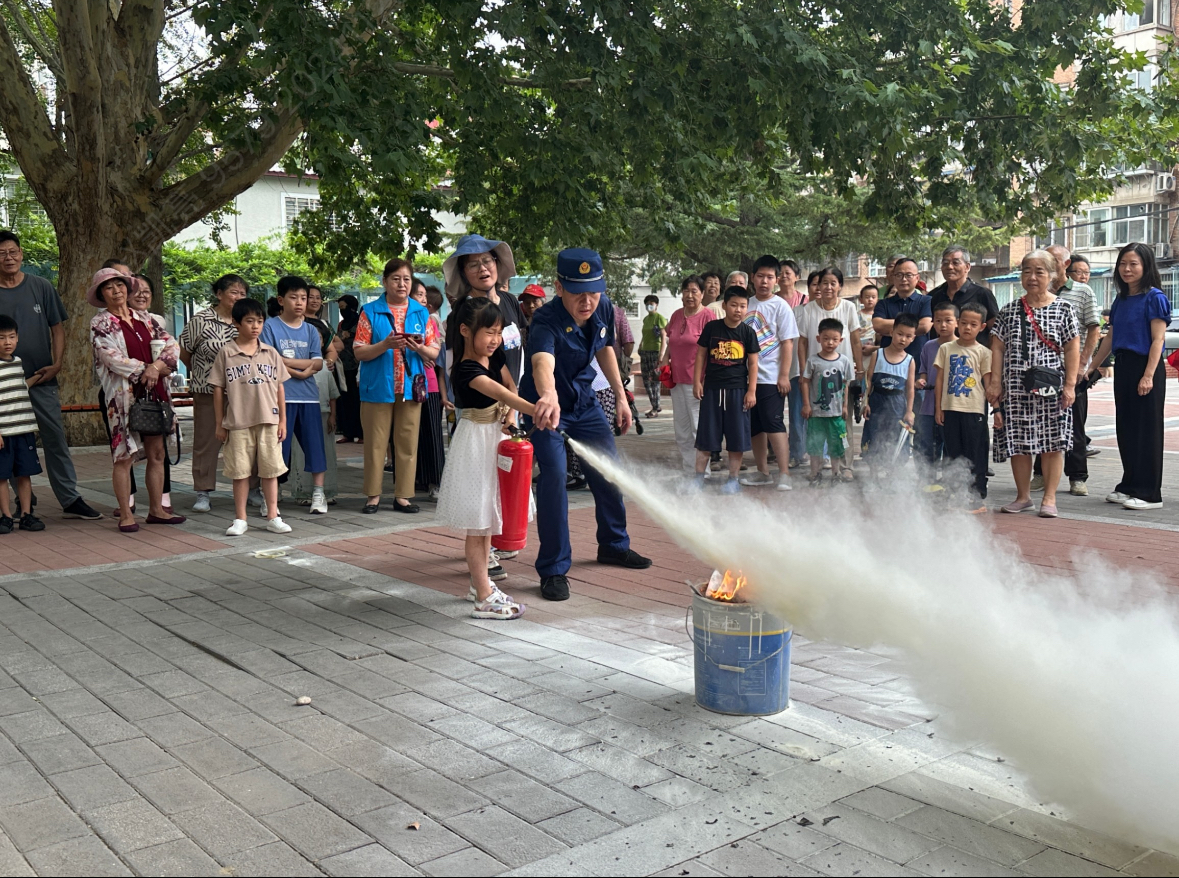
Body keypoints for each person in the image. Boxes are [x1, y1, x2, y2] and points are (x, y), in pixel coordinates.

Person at [519, 247, 651, 602]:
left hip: (584, 401)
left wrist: (621, 396)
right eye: (579, 292)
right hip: (546, 410)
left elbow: (605, 347)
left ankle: (613, 544)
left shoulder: (603, 306)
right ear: (559, 287)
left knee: (608, 470)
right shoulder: (545, 321)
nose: (588, 301)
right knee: (554, 480)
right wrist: (548, 397)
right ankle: (553, 569)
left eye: (595, 291)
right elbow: (542, 363)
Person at [436, 297, 533, 618]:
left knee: (489, 518)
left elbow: (510, 386)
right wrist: (534, 410)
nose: (494, 340)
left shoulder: (496, 356)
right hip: (476, 441)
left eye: (498, 332)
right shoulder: (464, 369)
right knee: (478, 523)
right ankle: (482, 597)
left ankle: (480, 586)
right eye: (488, 332)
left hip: (498, 439)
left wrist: (510, 415)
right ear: (465, 330)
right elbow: (502, 393)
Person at [0, 231, 101, 520]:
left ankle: (70, 498)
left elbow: (57, 327)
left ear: (21, 254)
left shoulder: (40, 286)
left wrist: (57, 364)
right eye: (2, 253)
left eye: (13, 252)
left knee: (55, 438)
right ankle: (23, 500)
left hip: (42, 378)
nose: (9, 258)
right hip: (4, 386)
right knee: (8, 441)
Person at [87, 267, 185, 533]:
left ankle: (156, 510)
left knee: (157, 453)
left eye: (120, 285)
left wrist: (159, 367)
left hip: (155, 392)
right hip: (123, 397)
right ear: (101, 294)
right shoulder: (101, 324)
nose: (116, 290)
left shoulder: (145, 317)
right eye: (109, 287)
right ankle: (126, 514)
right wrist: (147, 370)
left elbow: (170, 344)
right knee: (124, 456)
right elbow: (111, 358)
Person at [988, 250, 1079, 518]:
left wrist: (1071, 385)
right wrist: (995, 383)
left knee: (1053, 442)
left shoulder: (1063, 308)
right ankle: (1023, 496)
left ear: (1052, 275)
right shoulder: (1010, 309)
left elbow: (1072, 348)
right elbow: (997, 348)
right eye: (1027, 270)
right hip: (1015, 387)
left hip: (1051, 388)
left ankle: (1049, 498)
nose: (1032, 276)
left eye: (1040, 271)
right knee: (1018, 441)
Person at [354, 258, 440, 514]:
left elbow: (434, 351)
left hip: (411, 387)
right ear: (385, 282)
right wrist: (385, 345)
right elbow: (359, 351)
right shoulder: (369, 311)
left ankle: (403, 496)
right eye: (396, 279)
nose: (402, 284)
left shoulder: (421, 312)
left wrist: (420, 348)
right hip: (377, 388)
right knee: (375, 443)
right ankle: (373, 495)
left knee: (407, 442)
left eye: (406, 279)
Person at [1090, 242, 1171, 511]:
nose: (1127, 269)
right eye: (1123, 264)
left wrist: (1148, 375)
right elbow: (1111, 338)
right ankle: (1130, 485)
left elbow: (1158, 340)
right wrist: (1091, 366)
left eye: (1133, 264)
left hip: (1145, 366)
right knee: (1126, 427)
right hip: (1124, 366)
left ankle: (1150, 493)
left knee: (1147, 430)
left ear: (1146, 266)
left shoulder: (1155, 297)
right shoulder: (1121, 299)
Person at [209, 297, 292, 536]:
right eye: (249, 321)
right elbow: (217, 388)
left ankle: (273, 515)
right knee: (240, 472)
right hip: (238, 422)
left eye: (259, 321)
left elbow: (280, 387)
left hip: (269, 421)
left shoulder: (270, 352)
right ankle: (240, 518)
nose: (255, 326)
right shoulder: (227, 353)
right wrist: (219, 422)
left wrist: (283, 420)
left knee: (271, 470)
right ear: (236, 323)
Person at [1031, 244, 1102, 497]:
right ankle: (1040, 475)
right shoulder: (1039, 289)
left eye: (1054, 260)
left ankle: (1077, 477)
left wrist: (1084, 363)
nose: (1048, 264)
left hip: (1073, 369)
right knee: (1041, 420)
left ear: (1066, 263)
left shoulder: (1083, 291)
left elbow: (1094, 328)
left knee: (1075, 424)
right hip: (1043, 370)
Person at [179, 273, 247, 512]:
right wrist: (202, 372)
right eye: (233, 292)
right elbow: (184, 352)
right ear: (219, 294)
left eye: (242, 293)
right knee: (207, 441)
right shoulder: (201, 320)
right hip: (207, 391)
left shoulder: (247, 320)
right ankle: (203, 491)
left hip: (242, 392)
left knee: (247, 442)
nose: (238, 297)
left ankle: (253, 489)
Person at [262, 276, 328, 517]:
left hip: (309, 397)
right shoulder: (269, 326)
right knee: (278, 449)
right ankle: (272, 496)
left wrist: (290, 364)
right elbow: (269, 359)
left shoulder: (311, 329)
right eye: (294, 297)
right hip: (281, 398)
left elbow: (319, 362)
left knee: (315, 447)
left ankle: (318, 494)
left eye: (304, 298)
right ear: (281, 300)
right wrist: (300, 369)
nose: (300, 303)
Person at [793, 267, 861, 478]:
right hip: (815, 377)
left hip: (842, 376)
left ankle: (845, 466)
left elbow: (856, 339)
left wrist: (860, 369)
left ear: (840, 285)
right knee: (817, 422)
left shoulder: (849, 307)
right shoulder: (808, 309)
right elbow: (802, 343)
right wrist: (805, 371)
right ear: (818, 286)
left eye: (833, 283)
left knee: (843, 420)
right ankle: (818, 466)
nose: (829, 287)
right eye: (824, 283)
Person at [739, 255, 799, 491]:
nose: (765, 281)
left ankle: (784, 473)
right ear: (752, 278)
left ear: (777, 280)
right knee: (755, 426)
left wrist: (783, 375)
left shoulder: (780, 306)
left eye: (770, 277)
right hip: (745, 377)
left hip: (770, 376)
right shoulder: (745, 303)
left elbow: (787, 343)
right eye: (760, 276)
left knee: (774, 424)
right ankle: (762, 471)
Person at [692, 286, 760, 493]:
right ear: (724, 306)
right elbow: (701, 356)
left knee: (736, 438)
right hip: (712, 390)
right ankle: (697, 479)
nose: (738, 310)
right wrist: (697, 381)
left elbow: (753, 364)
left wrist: (751, 391)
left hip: (738, 392)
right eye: (734, 305)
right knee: (706, 438)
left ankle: (733, 479)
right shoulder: (712, 328)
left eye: (742, 306)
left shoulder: (747, 332)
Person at [443, 234, 526, 386]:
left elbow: (519, 350)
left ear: (496, 263)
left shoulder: (510, 300)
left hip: (514, 398)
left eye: (487, 261)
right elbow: (452, 364)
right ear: (464, 273)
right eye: (473, 265)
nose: (482, 268)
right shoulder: (462, 311)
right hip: (481, 403)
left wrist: (517, 394)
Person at [934, 302, 993, 512]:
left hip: (974, 411)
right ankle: (955, 493)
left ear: (982, 327)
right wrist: (939, 408)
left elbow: (988, 383)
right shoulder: (946, 348)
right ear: (957, 323)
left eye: (973, 324)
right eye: (964, 323)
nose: (968, 328)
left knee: (974, 453)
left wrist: (997, 408)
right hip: (950, 409)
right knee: (952, 453)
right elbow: (940, 379)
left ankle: (976, 497)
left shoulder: (984, 352)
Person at [658, 276, 714, 472]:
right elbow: (671, 340)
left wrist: (706, 378)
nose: (690, 295)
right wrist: (665, 359)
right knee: (681, 429)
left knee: (698, 427)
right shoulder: (676, 315)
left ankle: (702, 473)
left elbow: (713, 350)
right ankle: (689, 469)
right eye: (686, 291)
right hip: (677, 380)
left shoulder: (708, 316)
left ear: (702, 294)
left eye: (694, 291)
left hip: (697, 382)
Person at [0, 314, 44, 532]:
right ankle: (6, 516)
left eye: (11, 336)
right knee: (1, 476)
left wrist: (37, 377)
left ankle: (27, 514)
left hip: (23, 430)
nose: (7, 342)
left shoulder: (17, 363)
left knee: (24, 474)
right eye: (1, 338)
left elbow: (19, 387)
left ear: (17, 338)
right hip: (3, 432)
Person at [289, 318, 340, 506]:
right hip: (298, 414)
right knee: (300, 454)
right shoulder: (294, 365)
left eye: (319, 338)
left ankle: (327, 491)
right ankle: (302, 492)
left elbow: (333, 395)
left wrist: (333, 416)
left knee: (325, 453)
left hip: (323, 415)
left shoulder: (325, 367)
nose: (315, 341)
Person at [801, 318, 856, 485]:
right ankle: (815, 473)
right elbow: (805, 382)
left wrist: (846, 405)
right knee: (815, 445)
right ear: (818, 339)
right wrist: (806, 404)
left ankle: (836, 474)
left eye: (834, 339)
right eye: (825, 338)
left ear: (841, 340)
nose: (830, 342)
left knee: (836, 445)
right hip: (816, 414)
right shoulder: (812, 361)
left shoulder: (844, 361)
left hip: (836, 413)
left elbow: (846, 384)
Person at [862, 312, 918, 474]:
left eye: (908, 336)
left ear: (913, 338)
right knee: (874, 436)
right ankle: (873, 473)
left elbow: (910, 389)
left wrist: (909, 412)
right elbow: (869, 380)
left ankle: (892, 474)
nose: (903, 339)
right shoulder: (877, 354)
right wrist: (865, 403)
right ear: (891, 332)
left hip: (897, 404)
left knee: (894, 438)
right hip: (877, 402)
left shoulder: (909, 360)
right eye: (900, 334)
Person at [412, 281, 446, 500]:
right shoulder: (400, 319)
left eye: (424, 296)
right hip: (406, 384)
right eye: (419, 295)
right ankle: (418, 479)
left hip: (429, 384)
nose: (423, 299)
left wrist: (423, 352)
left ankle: (436, 481)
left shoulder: (429, 321)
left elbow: (436, 352)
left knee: (432, 433)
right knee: (413, 434)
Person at [927, 247, 1000, 346]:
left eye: (955, 263)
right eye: (945, 263)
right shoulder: (933, 296)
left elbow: (996, 332)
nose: (949, 267)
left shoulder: (983, 294)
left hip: (975, 357)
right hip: (940, 357)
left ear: (967, 267)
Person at [916, 301, 958, 471]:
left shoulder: (962, 346)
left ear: (957, 322)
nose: (943, 325)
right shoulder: (928, 346)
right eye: (938, 321)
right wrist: (922, 380)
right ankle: (927, 483)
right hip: (929, 405)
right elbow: (924, 370)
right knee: (927, 446)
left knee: (950, 447)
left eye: (948, 320)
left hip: (952, 405)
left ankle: (949, 484)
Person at [873, 257, 933, 362]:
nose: (904, 279)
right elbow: (878, 325)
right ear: (893, 277)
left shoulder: (927, 301)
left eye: (909, 275)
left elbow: (924, 326)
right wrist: (913, 325)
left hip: (919, 363)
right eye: (899, 275)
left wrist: (892, 327)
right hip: (888, 364)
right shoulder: (883, 303)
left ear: (917, 277)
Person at [334, 294, 363, 443]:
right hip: (342, 367)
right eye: (340, 309)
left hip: (357, 366)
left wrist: (350, 334)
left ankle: (361, 433)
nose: (342, 311)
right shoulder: (341, 325)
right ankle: (348, 432)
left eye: (343, 308)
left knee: (357, 400)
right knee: (345, 400)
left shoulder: (361, 322)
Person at [639, 293, 668, 417]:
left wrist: (662, 354)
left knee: (654, 380)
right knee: (646, 380)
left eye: (651, 304)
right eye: (647, 304)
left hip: (655, 352)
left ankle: (655, 408)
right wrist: (640, 345)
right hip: (645, 351)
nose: (649, 306)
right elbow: (644, 335)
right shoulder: (646, 319)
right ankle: (655, 405)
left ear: (656, 305)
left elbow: (663, 336)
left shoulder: (659, 318)